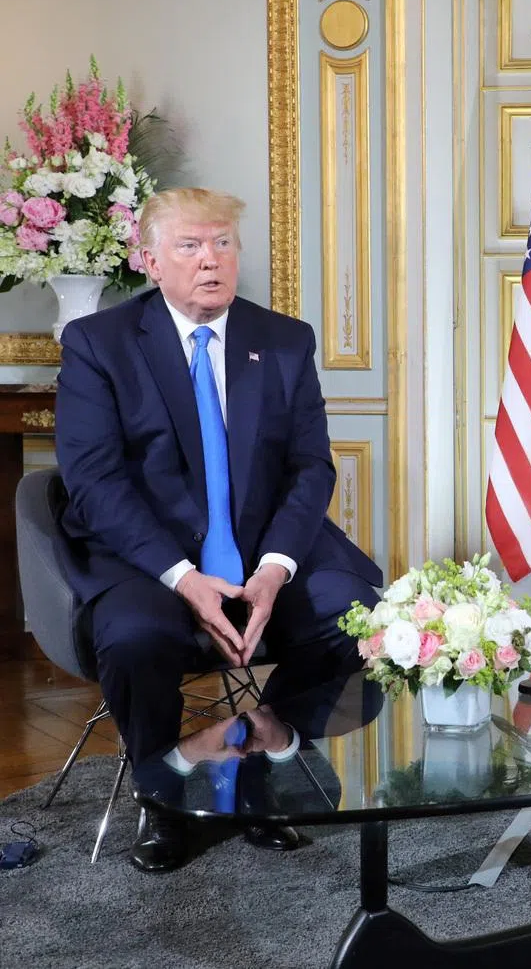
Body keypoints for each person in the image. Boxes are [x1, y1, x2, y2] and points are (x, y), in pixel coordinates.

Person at [54, 187, 383, 873]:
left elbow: (310, 468)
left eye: (223, 244)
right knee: (138, 638)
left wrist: (274, 569)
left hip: (263, 543)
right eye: (190, 246)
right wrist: (183, 578)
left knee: (355, 614)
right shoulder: (99, 344)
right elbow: (95, 480)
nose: (212, 261)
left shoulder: (284, 340)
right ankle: (165, 800)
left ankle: (270, 772)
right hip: (150, 556)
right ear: (150, 261)